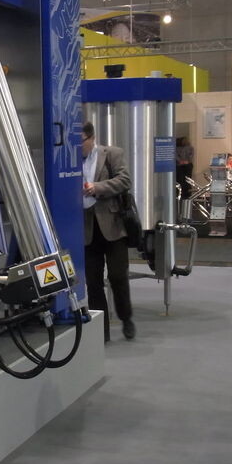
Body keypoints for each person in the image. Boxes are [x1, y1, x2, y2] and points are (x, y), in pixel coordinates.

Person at [82, 122, 135, 342]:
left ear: (92, 138)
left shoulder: (112, 154)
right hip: (86, 230)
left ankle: (126, 318)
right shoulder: (69, 160)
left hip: (113, 226)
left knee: (118, 276)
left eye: (81, 141)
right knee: (93, 282)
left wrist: (98, 187)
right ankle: (101, 330)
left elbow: (125, 180)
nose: (78, 146)